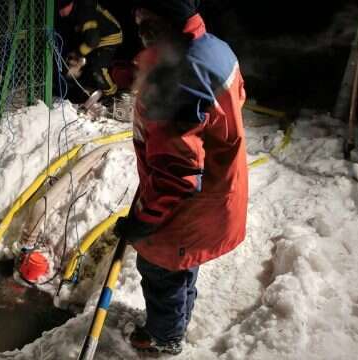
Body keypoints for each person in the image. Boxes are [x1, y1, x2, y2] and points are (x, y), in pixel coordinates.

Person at [113, 1, 248, 355]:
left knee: (161, 268)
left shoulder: (173, 85)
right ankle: (179, 318)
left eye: (147, 20)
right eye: (137, 17)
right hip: (219, 187)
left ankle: (165, 337)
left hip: (189, 206)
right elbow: (233, 98)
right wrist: (140, 74)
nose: (139, 27)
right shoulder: (214, 49)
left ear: (170, 18)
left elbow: (179, 178)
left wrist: (143, 221)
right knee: (184, 266)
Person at [58, 0, 123, 101]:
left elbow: (92, 41)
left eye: (61, 9)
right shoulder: (78, 8)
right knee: (87, 62)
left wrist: (78, 54)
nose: (60, 13)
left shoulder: (85, 12)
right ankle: (90, 90)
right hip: (97, 36)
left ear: (70, 4)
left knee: (99, 69)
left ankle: (112, 96)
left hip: (110, 36)